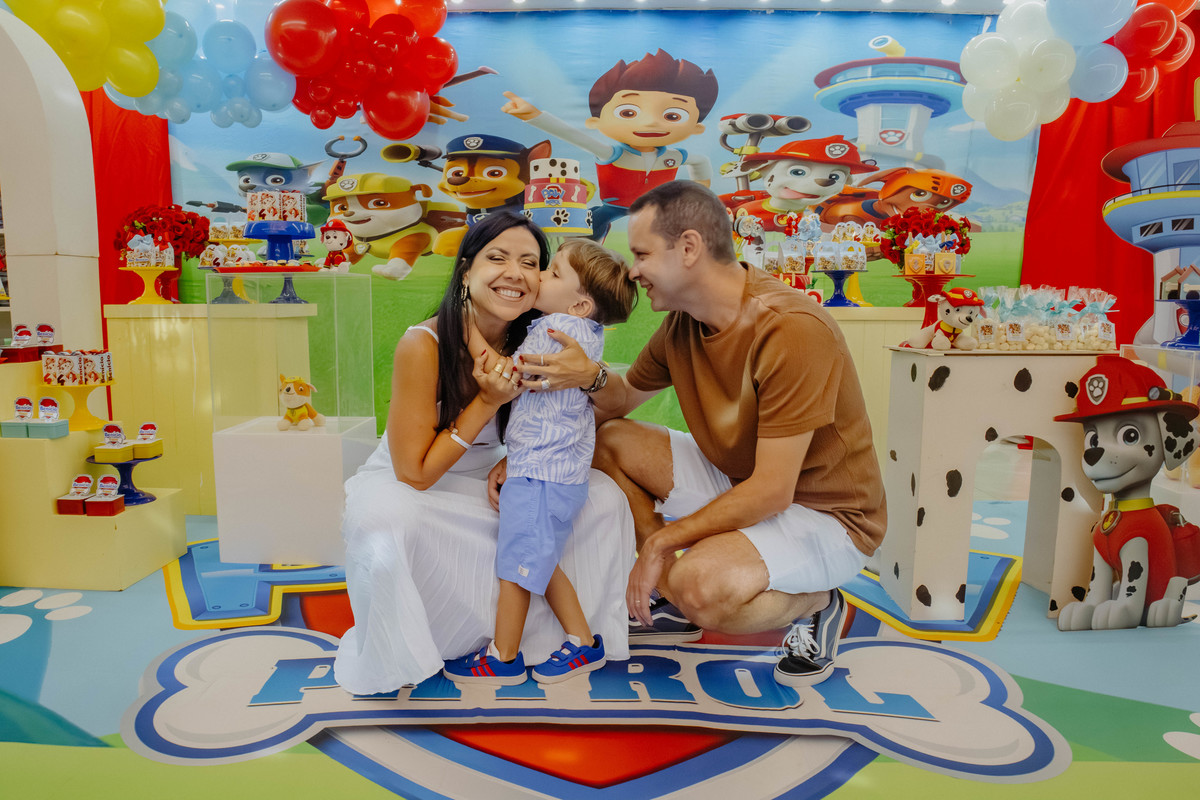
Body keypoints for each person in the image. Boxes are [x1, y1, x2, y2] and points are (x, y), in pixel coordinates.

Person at [530, 181, 886, 687]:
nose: (632, 271)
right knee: (610, 443)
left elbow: (774, 491)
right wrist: (585, 380)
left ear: (689, 248)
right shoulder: (684, 322)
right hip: (740, 479)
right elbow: (621, 399)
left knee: (701, 589)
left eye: (642, 254)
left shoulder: (791, 328)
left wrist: (659, 545)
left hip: (827, 514)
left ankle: (818, 603)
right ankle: (668, 589)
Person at [333, 213, 635, 696]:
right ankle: (471, 642)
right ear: (466, 269)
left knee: (601, 498)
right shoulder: (424, 343)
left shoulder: (543, 333)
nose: (516, 273)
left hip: (495, 476)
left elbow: (594, 405)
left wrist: (587, 378)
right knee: (389, 518)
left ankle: (557, 639)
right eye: (497, 258)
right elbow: (415, 474)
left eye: (532, 263)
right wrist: (488, 402)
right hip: (421, 482)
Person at [443, 239, 638, 685]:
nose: (540, 277)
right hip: (548, 470)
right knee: (539, 559)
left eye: (552, 273)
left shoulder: (556, 331)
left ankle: (504, 657)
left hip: (542, 474)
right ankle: (583, 642)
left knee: (516, 568)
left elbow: (504, 375)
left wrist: (465, 323)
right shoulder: (580, 331)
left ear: (580, 304)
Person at [501, 49, 717, 242]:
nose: (651, 122)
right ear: (595, 122)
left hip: (658, 208)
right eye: (628, 112)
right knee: (589, 228)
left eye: (672, 115)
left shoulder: (674, 156)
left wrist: (700, 193)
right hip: (614, 206)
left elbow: (701, 161)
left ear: (696, 127)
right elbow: (573, 136)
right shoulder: (612, 154)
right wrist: (534, 116)